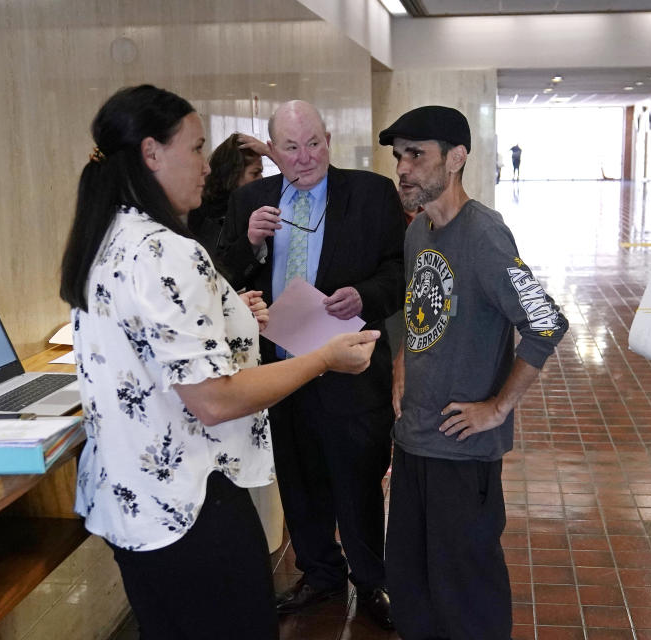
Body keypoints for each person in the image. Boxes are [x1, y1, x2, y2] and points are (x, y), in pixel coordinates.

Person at [58, 85, 379, 640]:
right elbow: (212, 398)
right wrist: (325, 357)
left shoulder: (108, 234)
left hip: (131, 498)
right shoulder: (165, 250)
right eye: (197, 148)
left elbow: (161, 352)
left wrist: (236, 321)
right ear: (152, 153)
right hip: (187, 500)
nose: (208, 167)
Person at [378, 106, 569, 640]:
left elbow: (546, 321)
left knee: (467, 598)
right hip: (414, 441)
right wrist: (400, 363)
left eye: (416, 154)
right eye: (399, 157)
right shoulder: (419, 233)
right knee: (412, 586)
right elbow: (421, 311)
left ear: (457, 158)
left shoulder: (485, 236)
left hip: (461, 455)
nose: (404, 168)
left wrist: (497, 408)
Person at [218, 100, 404, 629]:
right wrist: (248, 242)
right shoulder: (252, 199)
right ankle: (320, 573)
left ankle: (372, 580)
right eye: (291, 148)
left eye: (314, 143)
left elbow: (399, 270)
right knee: (298, 480)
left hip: (349, 364)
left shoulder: (370, 194)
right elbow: (221, 276)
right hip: (278, 369)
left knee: (359, 478)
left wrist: (363, 295)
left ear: (329, 139)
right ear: (272, 150)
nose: (305, 158)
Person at [187, 132, 263, 252]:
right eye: (255, 173)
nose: (261, 179)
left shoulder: (252, 210)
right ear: (234, 175)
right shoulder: (201, 214)